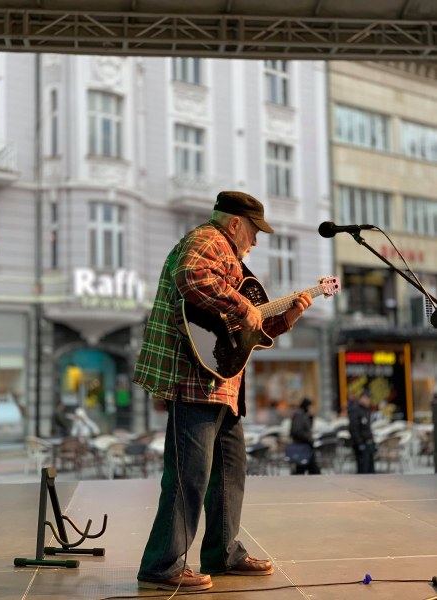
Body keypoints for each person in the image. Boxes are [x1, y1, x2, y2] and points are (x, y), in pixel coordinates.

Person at [133, 190, 313, 592]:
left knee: (230, 473)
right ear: (235, 223)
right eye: (254, 230)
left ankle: (222, 553)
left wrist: (288, 317)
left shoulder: (230, 256)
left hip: (221, 385)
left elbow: (246, 333)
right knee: (188, 476)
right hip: (196, 379)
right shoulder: (208, 240)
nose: (256, 240)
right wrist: (239, 304)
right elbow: (192, 278)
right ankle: (161, 566)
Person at [289, 397, 321, 475]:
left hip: (307, 447)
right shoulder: (299, 416)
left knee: (311, 469)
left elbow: (309, 427)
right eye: (311, 407)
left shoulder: (305, 415)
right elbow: (296, 431)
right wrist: (308, 437)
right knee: (303, 469)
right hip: (302, 447)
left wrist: (311, 417)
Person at [348, 390, 375, 474]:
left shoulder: (367, 409)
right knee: (363, 469)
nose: (369, 401)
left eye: (369, 399)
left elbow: (367, 427)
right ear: (362, 398)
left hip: (368, 442)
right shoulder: (355, 409)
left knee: (371, 469)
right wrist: (359, 443)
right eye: (367, 398)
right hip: (361, 443)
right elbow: (353, 428)